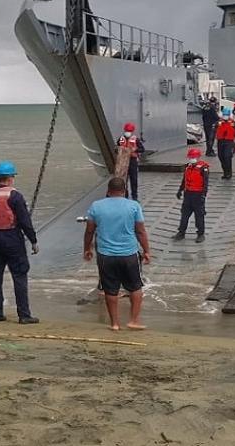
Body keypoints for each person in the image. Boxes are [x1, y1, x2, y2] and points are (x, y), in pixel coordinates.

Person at [83, 177, 150, 331]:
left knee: (110, 289)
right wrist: (147, 251)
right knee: (135, 287)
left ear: (108, 191)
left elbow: (89, 231)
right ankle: (133, 320)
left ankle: (114, 323)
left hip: (105, 255)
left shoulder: (96, 206)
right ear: (124, 191)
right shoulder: (134, 206)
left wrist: (87, 249)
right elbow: (140, 231)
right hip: (129, 254)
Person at [0, 161, 40, 324]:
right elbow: (24, 220)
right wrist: (33, 240)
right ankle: (24, 315)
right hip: (11, 237)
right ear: (10, 178)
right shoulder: (14, 195)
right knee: (19, 275)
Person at [173, 148, 209, 243]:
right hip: (188, 194)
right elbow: (184, 180)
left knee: (199, 216)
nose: (191, 159)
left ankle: (200, 234)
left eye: (193, 157)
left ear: (198, 157)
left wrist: (203, 195)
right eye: (190, 157)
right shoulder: (188, 167)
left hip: (198, 195)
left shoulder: (203, 168)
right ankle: (181, 232)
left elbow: (205, 183)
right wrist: (180, 190)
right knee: (184, 215)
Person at [116, 123, 146, 201]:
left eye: (129, 131)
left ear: (132, 131)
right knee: (123, 179)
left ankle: (134, 196)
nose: (127, 132)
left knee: (134, 179)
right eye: (127, 131)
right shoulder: (121, 139)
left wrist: (135, 149)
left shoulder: (136, 139)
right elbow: (117, 148)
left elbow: (142, 149)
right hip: (123, 161)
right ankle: (125, 195)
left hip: (132, 161)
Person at [215, 108, 235, 179]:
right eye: (224, 115)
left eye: (226, 115)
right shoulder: (218, 123)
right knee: (221, 157)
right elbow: (213, 131)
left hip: (229, 142)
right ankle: (225, 172)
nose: (225, 116)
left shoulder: (233, 123)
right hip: (220, 142)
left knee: (227, 157)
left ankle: (229, 173)